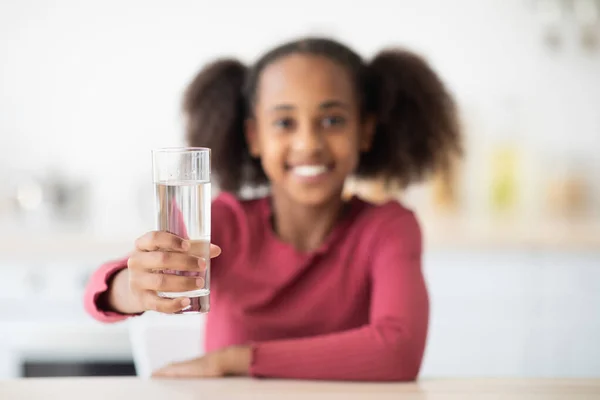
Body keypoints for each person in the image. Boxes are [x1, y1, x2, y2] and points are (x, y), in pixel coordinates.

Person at [83, 37, 461, 381]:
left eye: (332, 120)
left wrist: (233, 360)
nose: (308, 143)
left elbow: (397, 353)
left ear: (365, 131)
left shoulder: (388, 227)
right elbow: (97, 296)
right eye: (284, 122)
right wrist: (130, 288)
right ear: (254, 137)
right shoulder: (224, 223)